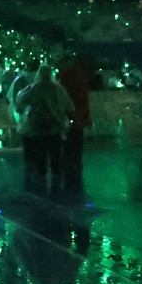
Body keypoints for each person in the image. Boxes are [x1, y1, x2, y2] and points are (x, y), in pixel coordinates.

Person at [16, 62, 72, 193]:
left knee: (40, 152)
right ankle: (56, 182)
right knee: (55, 152)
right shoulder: (58, 89)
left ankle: (41, 182)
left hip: (38, 125)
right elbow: (69, 105)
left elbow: (21, 99)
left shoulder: (34, 87)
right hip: (55, 126)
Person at [57, 55, 94, 195]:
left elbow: (62, 95)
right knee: (78, 141)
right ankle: (76, 164)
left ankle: (67, 165)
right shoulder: (81, 76)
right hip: (80, 115)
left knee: (68, 141)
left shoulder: (65, 76)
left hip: (69, 115)